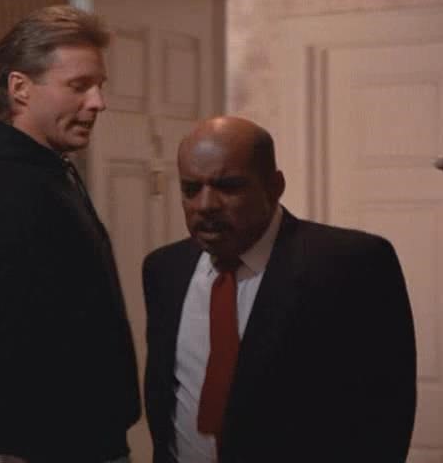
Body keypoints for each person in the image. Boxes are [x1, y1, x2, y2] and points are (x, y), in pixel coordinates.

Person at [142, 116, 417, 462]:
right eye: (191, 189)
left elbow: (386, 411)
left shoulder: (351, 264)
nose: (206, 204)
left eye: (228, 186)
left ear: (274, 187)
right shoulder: (165, 270)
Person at [0, 5, 140, 463]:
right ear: (20, 88)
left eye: (99, 86)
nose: (98, 102)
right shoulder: (7, 186)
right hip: (42, 445)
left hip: (78, 437)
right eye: (79, 86)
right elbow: (1, 339)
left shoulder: (45, 171)